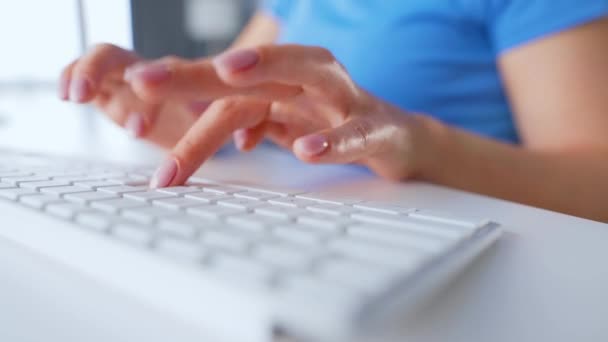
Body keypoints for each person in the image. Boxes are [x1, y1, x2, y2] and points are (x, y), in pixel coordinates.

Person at [59, 1, 608, 222]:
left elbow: (597, 180)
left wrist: (421, 143)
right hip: (302, 227)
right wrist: (166, 105)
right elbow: (231, 107)